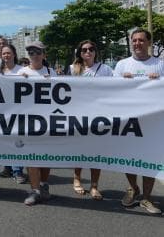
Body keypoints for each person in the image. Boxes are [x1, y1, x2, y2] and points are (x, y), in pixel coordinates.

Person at [114, 28, 164, 215]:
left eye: (141, 40)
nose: (137, 44)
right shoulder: (121, 65)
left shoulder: (160, 64)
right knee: (129, 157)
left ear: (149, 43)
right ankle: (133, 188)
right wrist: (121, 82)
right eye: (134, 40)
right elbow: (109, 92)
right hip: (129, 120)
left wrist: (159, 81)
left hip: (153, 121)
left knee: (149, 158)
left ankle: (147, 198)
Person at [70, 40, 113, 200]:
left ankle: (94, 185)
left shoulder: (106, 69)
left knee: (96, 152)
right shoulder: (72, 69)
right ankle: (77, 178)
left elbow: (117, 88)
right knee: (79, 151)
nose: (87, 52)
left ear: (95, 52)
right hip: (79, 117)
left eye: (91, 49)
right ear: (79, 53)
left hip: (99, 117)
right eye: (84, 50)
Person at [17, 41, 57, 206]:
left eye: (38, 52)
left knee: (46, 156)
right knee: (31, 156)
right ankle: (34, 190)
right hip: (29, 121)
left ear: (43, 54)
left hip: (47, 120)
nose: (34, 55)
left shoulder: (51, 71)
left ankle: (44, 185)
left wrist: (52, 81)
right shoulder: (22, 72)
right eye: (31, 52)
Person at [0, 44, 26, 183]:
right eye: (4, 54)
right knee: (4, 139)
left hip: (18, 110)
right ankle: (7, 167)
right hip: (2, 110)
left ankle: (18, 170)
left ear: (14, 54)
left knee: (17, 140)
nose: (6, 56)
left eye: (9, 53)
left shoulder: (22, 70)